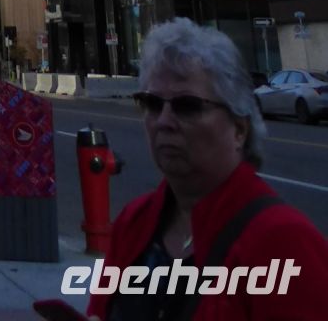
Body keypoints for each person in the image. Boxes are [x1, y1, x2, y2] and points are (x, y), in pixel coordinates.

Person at [74, 18, 328, 318]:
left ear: (239, 128)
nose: (164, 121)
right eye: (152, 104)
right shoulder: (133, 222)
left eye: (187, 106)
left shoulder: (285, 243)